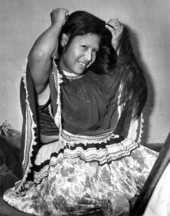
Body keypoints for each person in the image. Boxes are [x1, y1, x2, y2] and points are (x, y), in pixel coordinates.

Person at [3, 8, 158, 216]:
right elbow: (39, 55)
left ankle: (116, 201)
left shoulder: (95, 78)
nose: (89, 57)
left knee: (158, 172)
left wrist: (118, 45)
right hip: (62, 159)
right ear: (65, 39)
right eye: (84, 47)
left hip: (103, 152)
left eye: (94, 50)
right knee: (67, 191)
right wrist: (57, 24)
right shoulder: (51, 80)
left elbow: (129, 87)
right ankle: (116, 200)